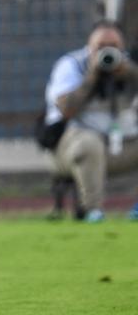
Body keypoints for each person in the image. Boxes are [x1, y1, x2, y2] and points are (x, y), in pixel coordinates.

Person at [46, 20, 138, 222]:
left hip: (124, 145)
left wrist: (130, 73)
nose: (108, 52)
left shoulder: (131, 66)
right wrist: (92, 76)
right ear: (89, 47)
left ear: (123, 47)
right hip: (74, 149)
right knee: (88, 144)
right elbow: (65, 109)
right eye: (101, 47)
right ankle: (93, 211)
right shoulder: (72, 65)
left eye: (114, 46)